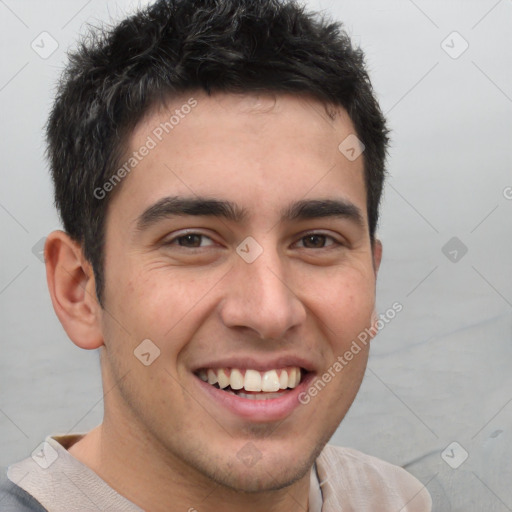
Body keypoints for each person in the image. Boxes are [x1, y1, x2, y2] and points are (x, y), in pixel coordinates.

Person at [0, 0, 432, 510]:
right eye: (192, 240)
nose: (270, 311)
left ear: (372, 275)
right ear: (80, 291)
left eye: (316, 240)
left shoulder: (395, 499)